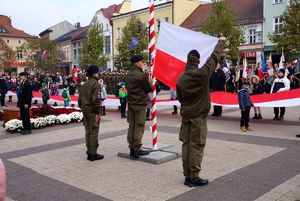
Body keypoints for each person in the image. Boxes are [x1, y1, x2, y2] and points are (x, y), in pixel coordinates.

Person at [176, 37, 226, 187]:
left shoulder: (180, 79)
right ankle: (194, 176)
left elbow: (180, 97)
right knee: (196, 145)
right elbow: (214, 57)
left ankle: (187, 176)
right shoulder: (202, 74)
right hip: (198, 117)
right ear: (197, 60)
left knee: (186, 145)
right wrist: (221, 42)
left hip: (186, 116)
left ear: (187, 60)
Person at [126, 55, 152, 158]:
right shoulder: (141, 75)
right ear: (136, 63)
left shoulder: (129, 74)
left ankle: (132, 148)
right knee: (139, 126)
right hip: (140, 104)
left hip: (131, 103)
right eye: (141, 61)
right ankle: (137, 148)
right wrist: (148, 78)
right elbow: (148, 88)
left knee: (131, 126)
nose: (143, 63)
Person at [78, 65, 103, 161]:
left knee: (88, 132)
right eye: (97, 72)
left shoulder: (84, 84)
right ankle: (93, 153)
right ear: (94, 73)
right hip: (93, 111)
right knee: (93, 132)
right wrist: (97, 112)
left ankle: (89, 151)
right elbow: (96, 100)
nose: (98, 74)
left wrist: (84, 108)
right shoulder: (95, 84)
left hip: (85, 111)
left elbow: (79, 101)